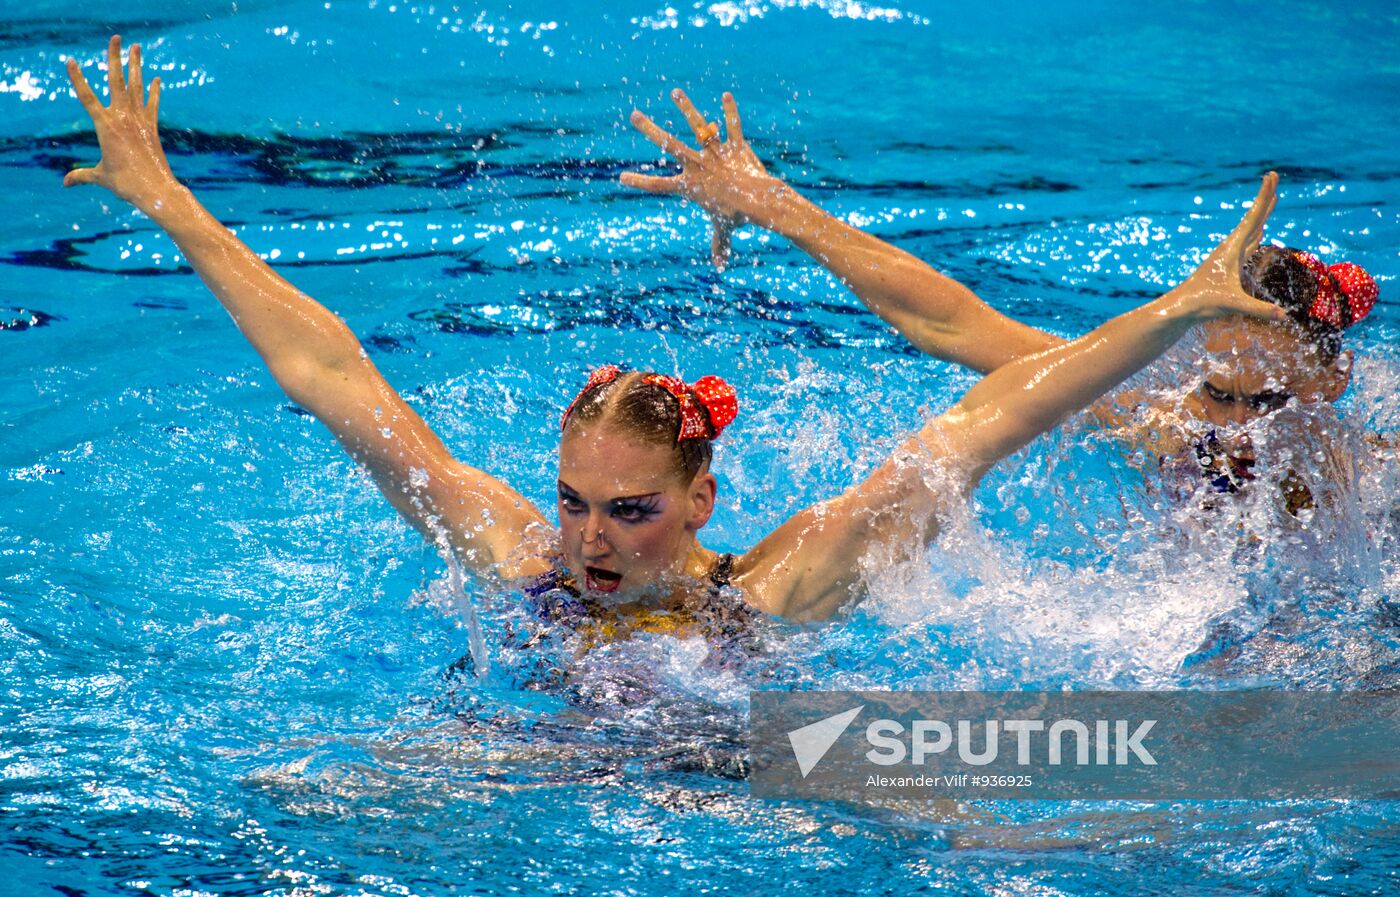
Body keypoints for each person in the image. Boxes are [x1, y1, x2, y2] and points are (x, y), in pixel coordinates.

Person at [64, 37, 1284, 645]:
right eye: (576, 501)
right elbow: (335, 378)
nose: (589, 540)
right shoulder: (514, 558)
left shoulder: (775, 591)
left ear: (701, 498)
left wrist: (1172, 312)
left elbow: (989, 415)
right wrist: (173, 204)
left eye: (630, 511)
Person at [622, 90, 1381, 510]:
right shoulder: (1158, 421)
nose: (1240, 431)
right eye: (1221, 393)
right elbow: (949, 322)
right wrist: (770, 202)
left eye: (1273, 401)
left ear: (1334, 380)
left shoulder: (1376, 489)